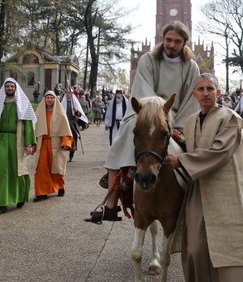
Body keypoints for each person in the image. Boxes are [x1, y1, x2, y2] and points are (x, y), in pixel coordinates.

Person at [164, 73, 243, 282]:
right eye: (200, 89)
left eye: (210, 88)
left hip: (225, 193)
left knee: (227, 251)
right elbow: (190, 147)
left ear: (218, 91)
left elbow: (219, 152)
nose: (205, 93)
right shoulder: (190, 121)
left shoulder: (230, 119)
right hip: (198, 190)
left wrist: (182, 159)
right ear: (194, 94)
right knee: (196, 248)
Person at [85, 21, 200, 223]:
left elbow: (192, 99)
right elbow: (143, 90)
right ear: (162, 39)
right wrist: (158, 115)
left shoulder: (191, 67)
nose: (171, 45)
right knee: (124, 137)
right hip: (145, 113)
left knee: (195, 145)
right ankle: (111, 206)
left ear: (184, 43)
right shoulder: (148, 60)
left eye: (177, 41)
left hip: (178, 118)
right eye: (168, 40)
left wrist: (177, 124)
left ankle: (195, 198)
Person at [0, 78, 37, 215]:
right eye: (7, 86)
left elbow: (28, 126)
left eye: (12, 86)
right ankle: (2, 204)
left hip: (19, 141)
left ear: (15, 88)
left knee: (19, 171)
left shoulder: (22, 104)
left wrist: (29, 144)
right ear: (4, 88)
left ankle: (20, 198)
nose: (9, 88)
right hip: (2, 140)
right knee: (2, 172)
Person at [33, 91, 73, 200]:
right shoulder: (39, 114)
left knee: (57, 168)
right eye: (48, 98)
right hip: (43, 143)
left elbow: (66, 131)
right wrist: (33, 145)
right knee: (41, 169)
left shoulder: (60, 114)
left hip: (56, 144)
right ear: (44, 100)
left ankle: (60, 186)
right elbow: (34, 131)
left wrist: (66, 143)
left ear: (55, 99)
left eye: (52, 98)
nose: (50, 100)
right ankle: (42, 192)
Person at [60, 88, 88, 161]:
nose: (68, 94)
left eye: (69, 93)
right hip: (65, 123)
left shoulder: (75, 103)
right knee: (64, 138)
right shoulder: (62, 103)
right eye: (67, 93)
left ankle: (71, 155)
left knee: (73, 139)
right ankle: (63, 154)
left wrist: (76, 111)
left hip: (73, 123)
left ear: (72, 94)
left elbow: (79, 115)